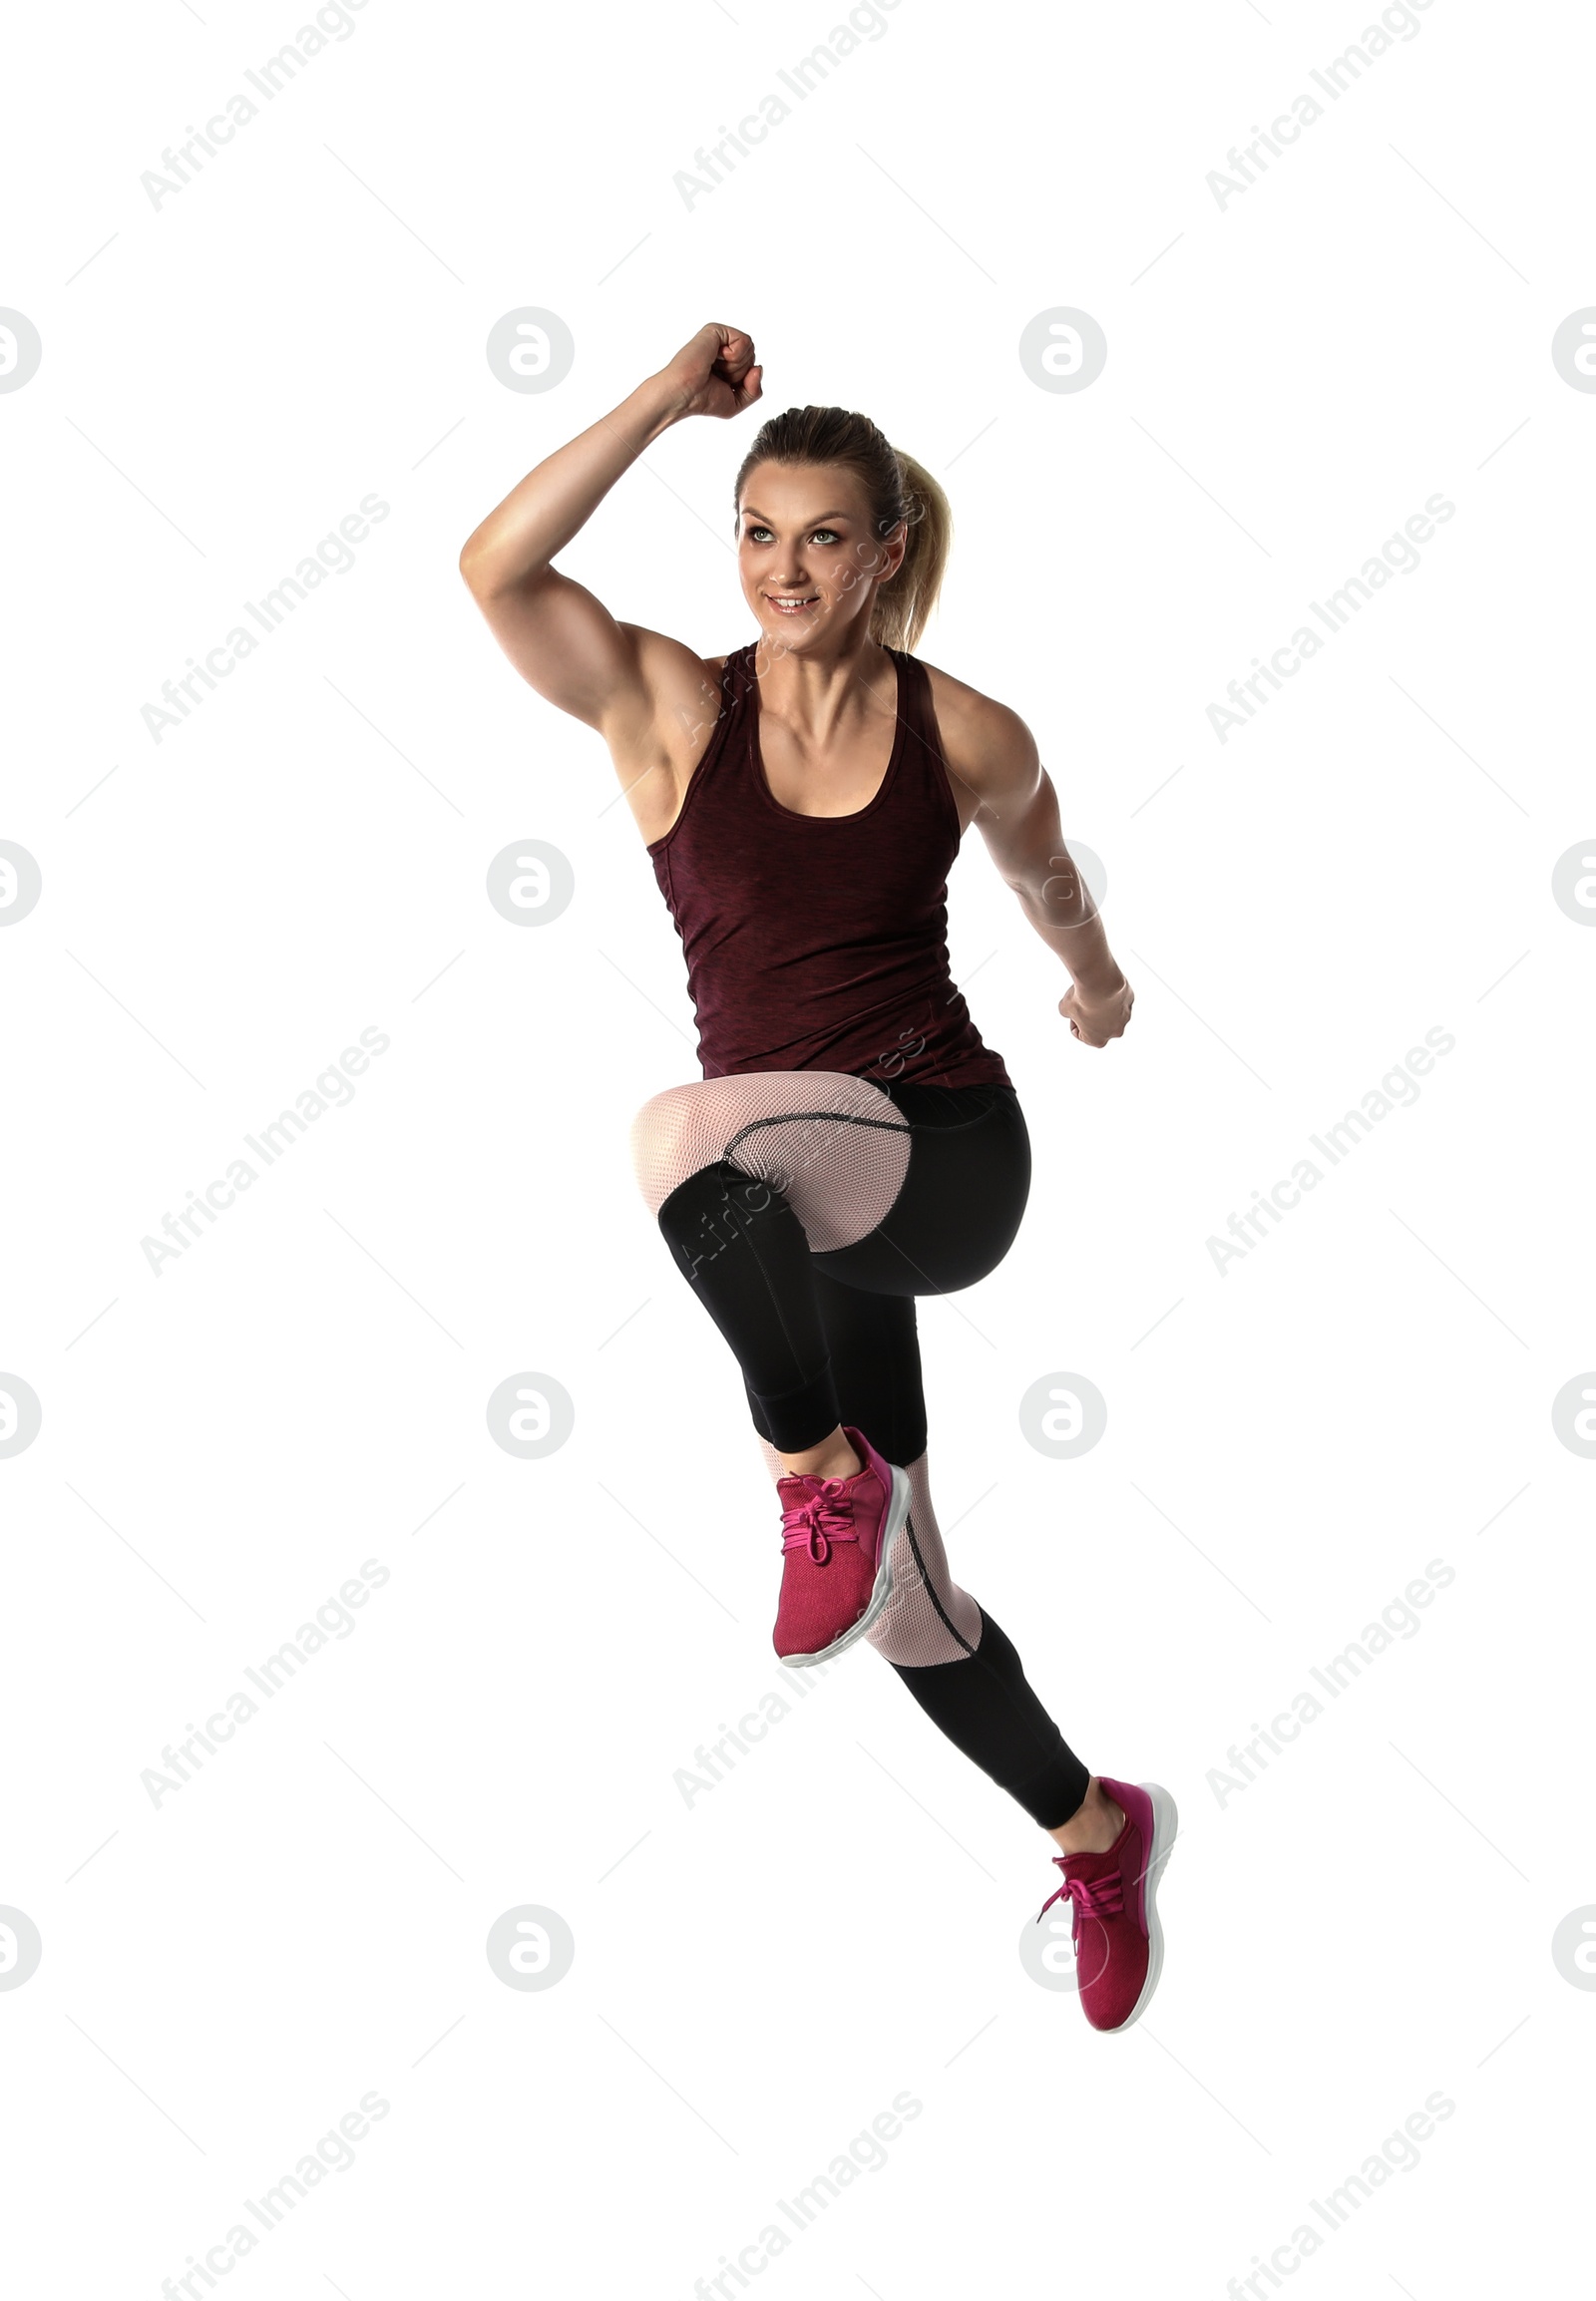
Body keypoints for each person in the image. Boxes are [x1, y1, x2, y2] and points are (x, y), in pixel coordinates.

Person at [458, 322, 1174, 2032]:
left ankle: (805, 1472)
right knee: (916, 1613)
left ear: (888, 551)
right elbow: (495, 566)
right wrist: (659, 396)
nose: (786, 568)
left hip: (944, 1158)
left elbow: (1049, 874)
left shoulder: (965, 729)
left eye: (824, 536)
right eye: (757, 533)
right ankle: (1095, 1830)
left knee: (677, 1132)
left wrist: (1097, 984)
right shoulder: (664, 707)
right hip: (787, 1216)